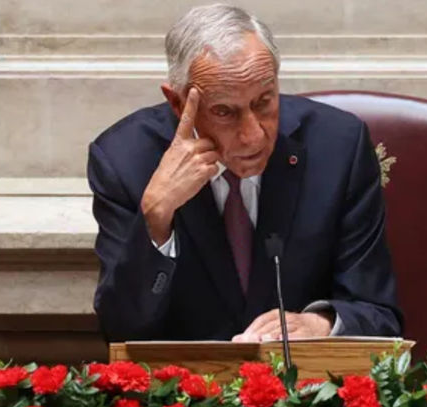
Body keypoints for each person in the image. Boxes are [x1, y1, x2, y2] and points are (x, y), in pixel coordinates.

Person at [87, 4, 402, 342]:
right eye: (225, 112)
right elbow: (121, 332)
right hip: (186, 375)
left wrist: (321, 325)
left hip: (302, 374)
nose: (253, 136)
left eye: (264, 101)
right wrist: (156, 216)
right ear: (178, 103)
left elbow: (378, 315)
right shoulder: (125, 161)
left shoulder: (338, 147)